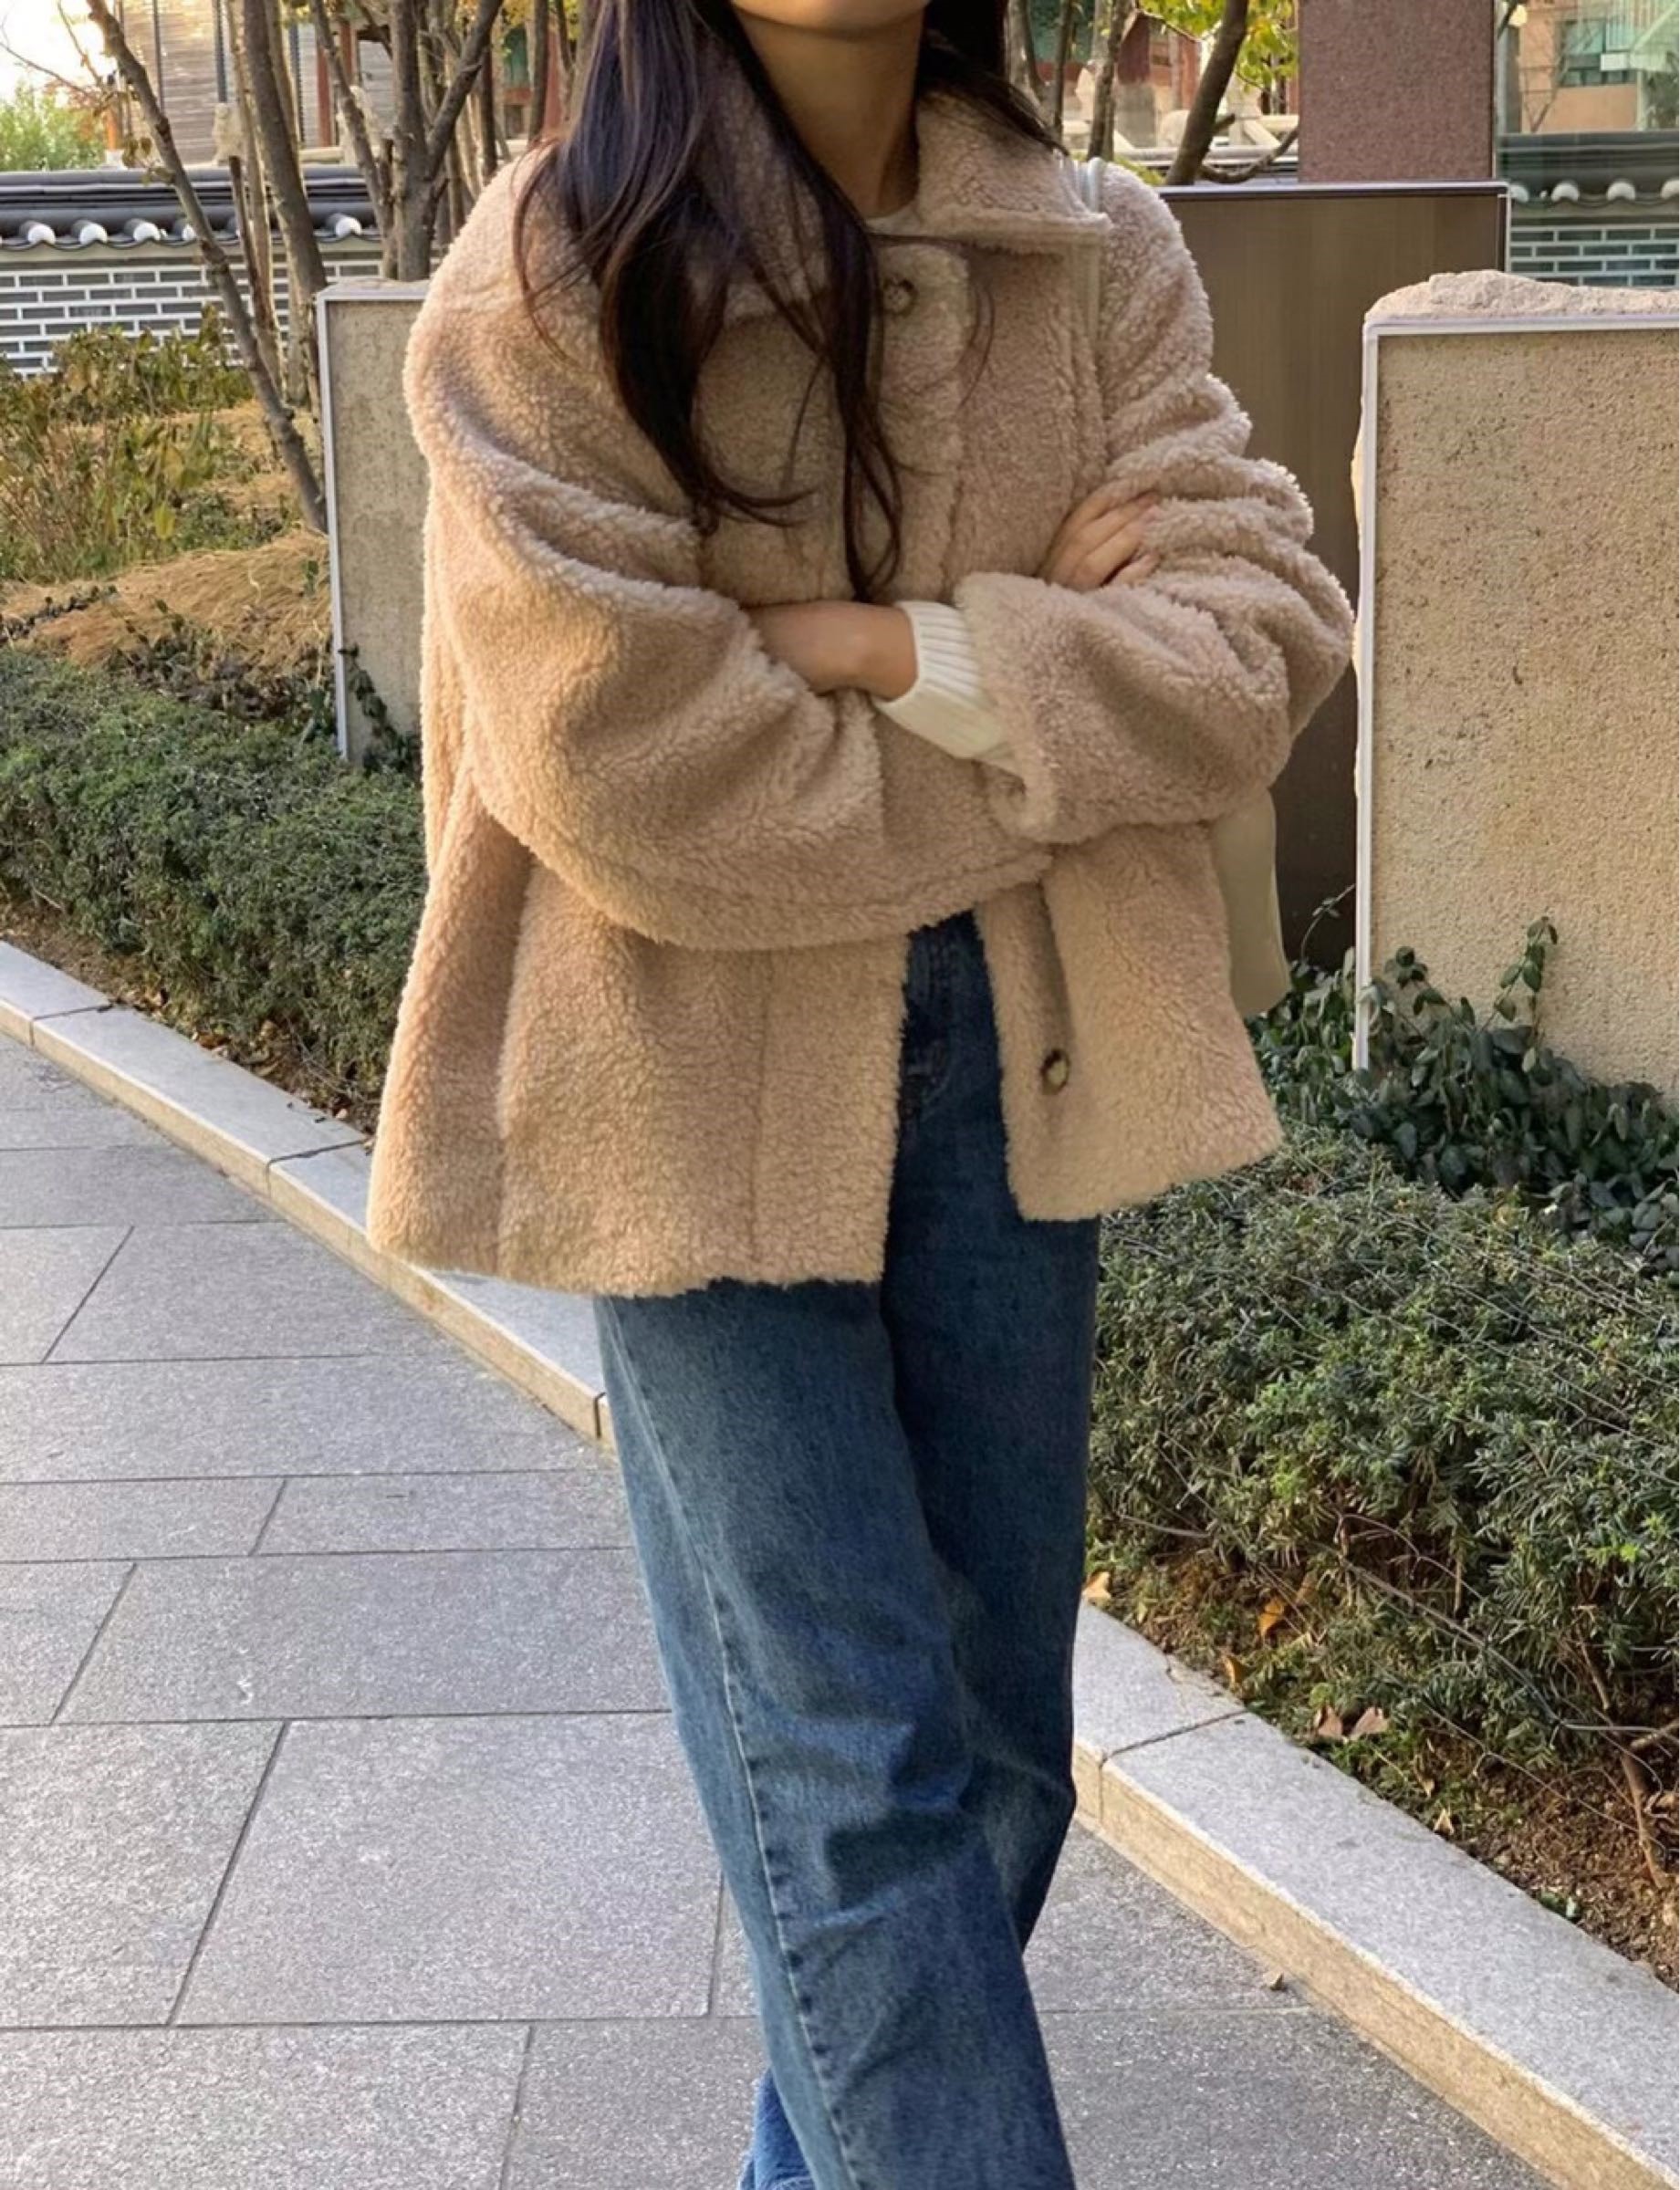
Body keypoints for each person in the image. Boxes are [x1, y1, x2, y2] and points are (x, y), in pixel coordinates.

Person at [364, 4, 1354, 2183]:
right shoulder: (555, 279)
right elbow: (632, 761)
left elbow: (1262, 636)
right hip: (679, 1099)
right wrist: (1046, 717)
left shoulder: (1095, 254)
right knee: (857, 1777)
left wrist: (897, 650)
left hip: (1010, 1068)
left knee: (1000, 1759)